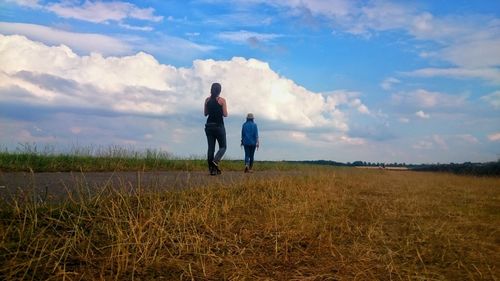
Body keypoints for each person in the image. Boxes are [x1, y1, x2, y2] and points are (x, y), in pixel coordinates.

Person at [204, 82, 228, 175]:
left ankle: (212, 169)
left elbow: (205, 113)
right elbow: (225, 114)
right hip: (219, 125)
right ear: (220, 90)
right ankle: (215, 161)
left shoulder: (207, 100)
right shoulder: (222, 100)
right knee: (223, 147)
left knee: (211, 148)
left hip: (209, 125)